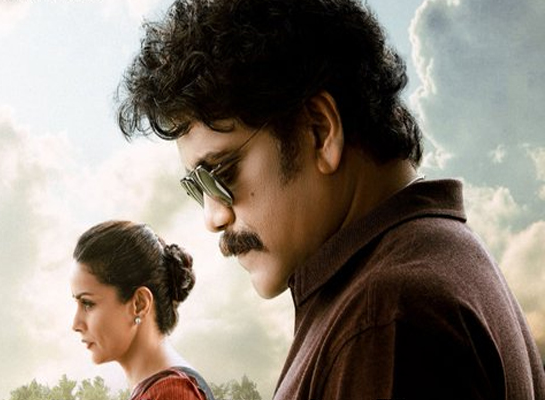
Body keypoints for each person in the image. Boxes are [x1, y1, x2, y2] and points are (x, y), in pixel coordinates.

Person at [115, 0, 545, 398]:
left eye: (221, 173)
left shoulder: (384, 319)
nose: (213, 217)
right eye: (197, 187)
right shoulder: (435, 262)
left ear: (319, 131)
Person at [71, 220, 215, 400]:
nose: (76, 324)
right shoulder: (161, 390)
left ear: (139, 304)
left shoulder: (170, 393)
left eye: (88, 303)